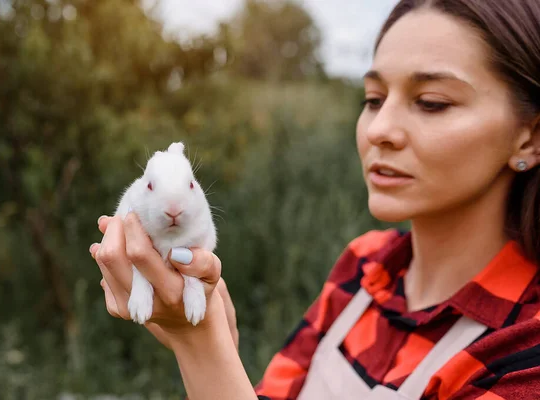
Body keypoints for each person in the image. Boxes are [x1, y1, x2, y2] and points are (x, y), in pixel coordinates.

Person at [89, 0, 540, 398]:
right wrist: (210, 340)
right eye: (374, 98)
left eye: (432, 101)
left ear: (529, 138)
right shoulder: (364, 269)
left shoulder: (525, 352)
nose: (380, 129)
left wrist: (200, 343)